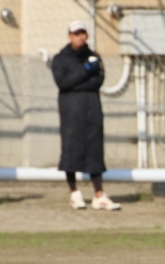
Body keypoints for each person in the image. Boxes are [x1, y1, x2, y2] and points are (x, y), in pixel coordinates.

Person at [51, 20, 120, 211]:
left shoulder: (94, 56)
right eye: (76, 33)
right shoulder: (60, 59)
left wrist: (77, 81)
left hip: (92, 110)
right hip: (71, 111)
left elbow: (97, 81)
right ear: (69, 36)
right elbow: (63, 82)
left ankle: (99, 195)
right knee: (71, 149)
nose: (80, 37)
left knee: (94, 149)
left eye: (83, 33)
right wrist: (85, 71)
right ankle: (74, 193)